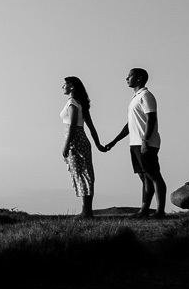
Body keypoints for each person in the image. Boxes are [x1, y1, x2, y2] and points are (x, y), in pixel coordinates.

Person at [99, 68, 167, 218]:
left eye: (129, 76)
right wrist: (114, 141)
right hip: (135, 142)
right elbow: (130, 125)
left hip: (147, 142)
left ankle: (160, 211)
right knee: (144, 177)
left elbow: (151, 118)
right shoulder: (135, 98)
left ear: (139, 78)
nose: (126, 78)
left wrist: (145, 140)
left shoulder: (146, 95)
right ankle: (144, 210)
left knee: (154, 175)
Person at [61, 76, 104, 218]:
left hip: (75, 140)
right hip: (81, 139)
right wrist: (98, 144)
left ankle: (86, 211)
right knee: (85, 173)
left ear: (72, 87)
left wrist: (67, 144)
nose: (63, 87)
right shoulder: (80, 104)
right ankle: (87, 210)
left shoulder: (72, 102)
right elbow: (91, 127)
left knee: (81, 173)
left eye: (65, 84)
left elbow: (73, 124)